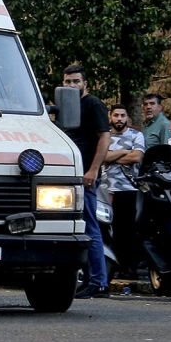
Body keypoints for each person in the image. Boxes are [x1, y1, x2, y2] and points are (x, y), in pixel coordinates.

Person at [58, 64, 111, 299]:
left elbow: (104, 138)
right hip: (70, 175)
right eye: (67, 82)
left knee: (90, 227)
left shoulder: (93, 104)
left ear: (85, 84)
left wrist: (93, 170)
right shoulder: (65, 106)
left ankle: (99, 282)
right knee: (78, 227)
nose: (71, 86)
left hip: (86, 176)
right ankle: (89, 279)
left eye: (75, 81)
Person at [100, 105, 144, 277]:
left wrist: (113, 156)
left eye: (122, 115)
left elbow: (137, 157)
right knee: (108, 230)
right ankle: (111, 268)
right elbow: (103, 157)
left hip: (128, 189)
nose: (119, 118)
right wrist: (125, 151)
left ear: (127, 117)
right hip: (105, 189)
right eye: (116, 115)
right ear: (110, 117)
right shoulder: (105, 136)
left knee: (126, 230)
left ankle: (128, 268)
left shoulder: (136, 135)